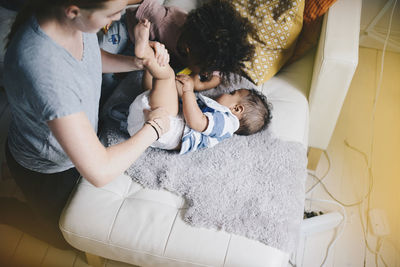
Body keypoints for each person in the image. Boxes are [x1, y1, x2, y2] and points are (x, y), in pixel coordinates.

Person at [1, 0, 170, 250]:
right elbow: (99, 170)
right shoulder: (45, 72)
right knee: (64, 239)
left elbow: (88, 58)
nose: (116, 19)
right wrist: (154, 129)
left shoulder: (65, 21)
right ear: (73, 11)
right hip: (47, 172)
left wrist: (136, 63)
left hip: (69, 150)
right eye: (111, 14)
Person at [127, 19, 271, 154]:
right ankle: (149, 64)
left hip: (169, 128)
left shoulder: (227, 123)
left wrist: (188, 92)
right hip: (150, 123)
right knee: (156, 89)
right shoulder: (219, 118)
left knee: (167, 76)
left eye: (232, 93)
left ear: (237, 109)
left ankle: (145, 52)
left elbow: (195, 122)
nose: (227, 92)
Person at [101, 0, 256, 91]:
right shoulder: (164, 20)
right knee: (106, 77)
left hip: (150, 50)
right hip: (130, 30)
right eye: (204, 70)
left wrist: (199, 84)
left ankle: (136, 59)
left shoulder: (213, 55)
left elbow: (216, 76)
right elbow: (146, 5)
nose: (206, 73)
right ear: (187, 51)